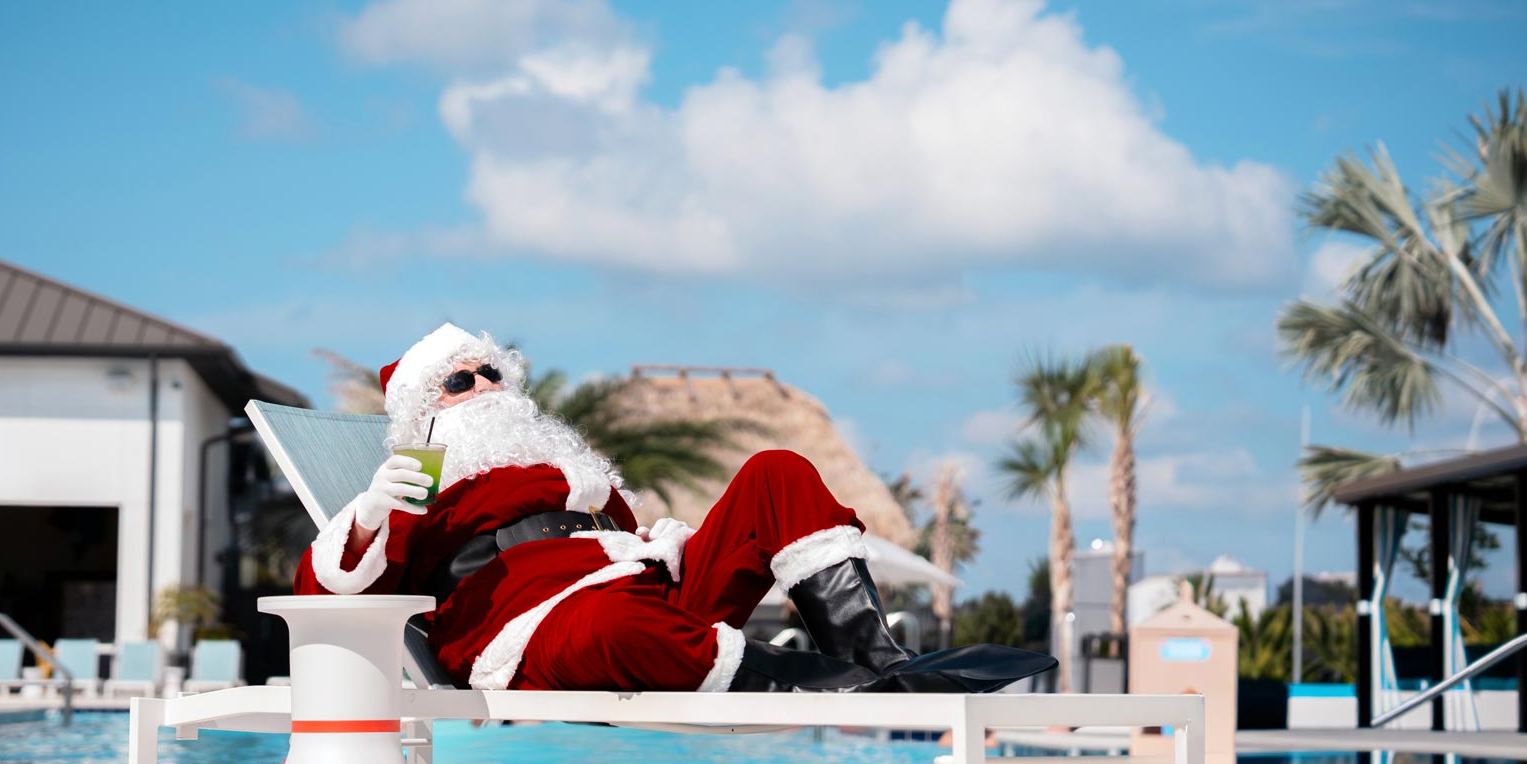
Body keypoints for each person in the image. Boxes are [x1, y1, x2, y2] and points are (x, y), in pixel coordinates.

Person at [296, 324, 1052, 694]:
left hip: (649, 591)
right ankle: (831, 682)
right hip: (537, 629)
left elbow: (625, 545)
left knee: (776, 470)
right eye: (459, 382)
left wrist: (660, 542)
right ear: (424, 413)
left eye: (490, 370)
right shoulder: (416, 482)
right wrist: (367, 514)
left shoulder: (571, 467)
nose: (486, 386)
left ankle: (875, 661)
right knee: (615, 624)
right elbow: (323, 596)